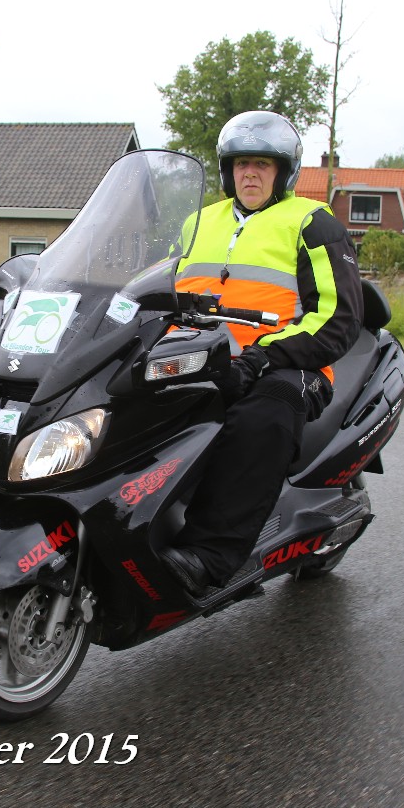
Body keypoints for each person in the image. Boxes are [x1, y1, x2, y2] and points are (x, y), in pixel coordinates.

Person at [160, 111, 364, 596]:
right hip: (199, 359)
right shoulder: (197, 223)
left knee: (265, 412)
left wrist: (262, 356)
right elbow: (157, 290)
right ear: (227, 170)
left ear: (283, 172)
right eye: (241, 164)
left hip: (288, 365)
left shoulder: (311, 222)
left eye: (262, 164)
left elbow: (337, 317)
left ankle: (210, 556)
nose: (249, 174)